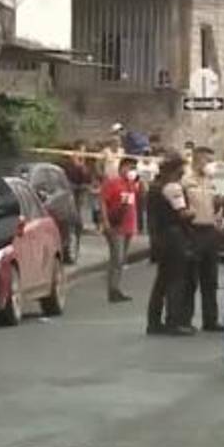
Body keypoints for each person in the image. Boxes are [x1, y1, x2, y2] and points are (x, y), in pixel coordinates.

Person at [147, 153, 196, 335]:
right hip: (174, 237)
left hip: (159, 237)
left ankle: (153, 321)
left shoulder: (155, 187)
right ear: (176, 170)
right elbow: (183, 214)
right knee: (176, 280)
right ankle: (174, 321)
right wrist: (193, 212)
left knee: (161, 281)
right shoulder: (173, 187)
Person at [182, 146, 224, 331]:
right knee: (190, 279)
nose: (210, 165)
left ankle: (210, 320)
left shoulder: (211, 181)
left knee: (210, 279)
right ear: (197, 160)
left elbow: (215, 205)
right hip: (193, 230)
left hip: (210, 231)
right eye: (207, 161)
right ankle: (185, 319)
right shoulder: (185, 180)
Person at [101, 157, 139, 303]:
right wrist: (105, 222)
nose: (131, 171)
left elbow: (140, 195)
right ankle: (113, 289)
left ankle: (116, 287)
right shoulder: (112, 183)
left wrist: (136, 182)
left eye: (133, 168)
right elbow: (104, 202)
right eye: (129, 168)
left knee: (122, 259)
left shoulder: (131, 184)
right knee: (117, 257)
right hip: (116, 225)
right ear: (121, 168)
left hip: (129, 224)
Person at [63, 141, 94, 231]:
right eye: (81, 150)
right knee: (71, 205)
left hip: (81, 185)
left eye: (84, 150)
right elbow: (74, 168)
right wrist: (78, 161)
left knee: (80, 205)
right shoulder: (71, 159)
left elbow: (87, 172)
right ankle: (71, 224)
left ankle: (78, 224)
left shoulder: (85, 161)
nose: (83, 153)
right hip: (72, 184)